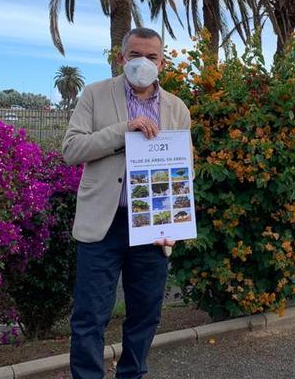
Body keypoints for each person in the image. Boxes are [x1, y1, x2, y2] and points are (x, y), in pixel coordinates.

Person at [62, 27, 191, 379]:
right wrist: (123, 130)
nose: (143, 62)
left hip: (153, 226)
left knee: (146, 313)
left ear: (163, 62)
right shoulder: (94, 95)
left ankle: (131, 374)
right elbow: (71, 149)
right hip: (103, 223)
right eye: (135, 55)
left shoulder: (177, 108)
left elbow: (182, 171)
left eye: (151, 56)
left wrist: (175, 226)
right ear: (121, 58)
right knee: (90, 315)